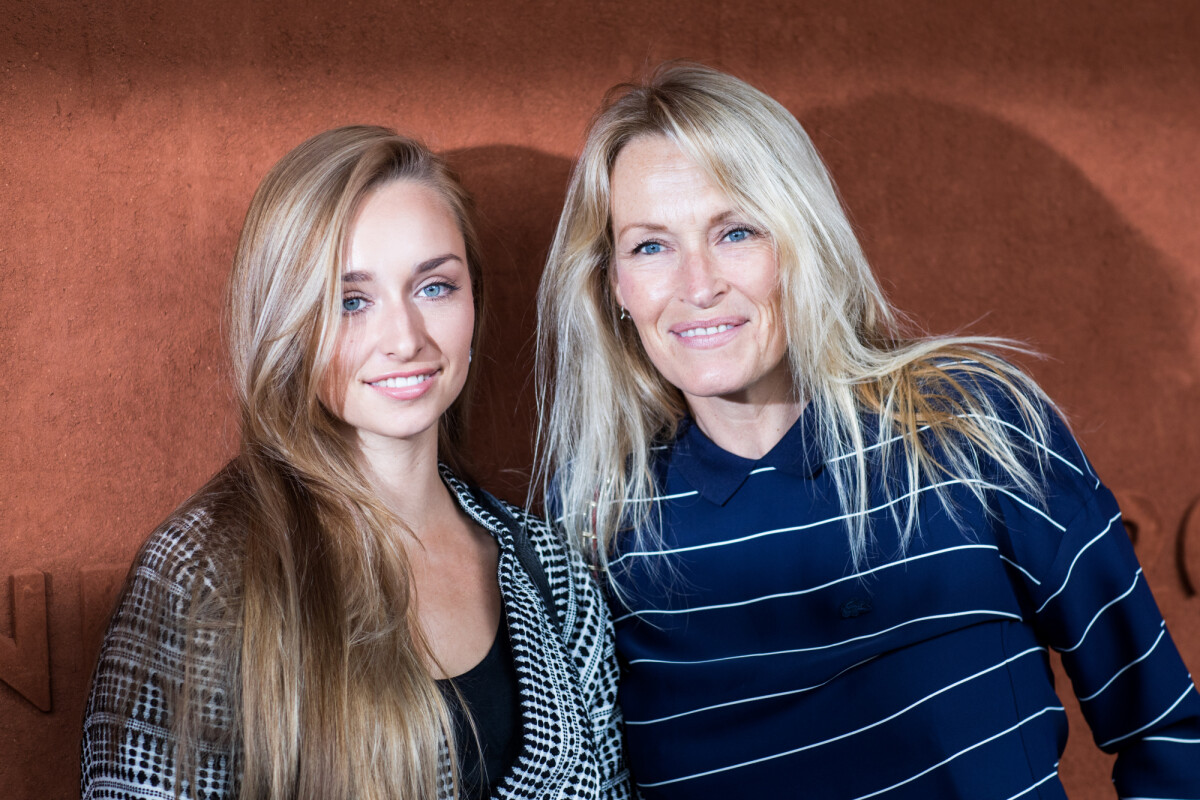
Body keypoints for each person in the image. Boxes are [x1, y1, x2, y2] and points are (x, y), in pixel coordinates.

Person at [535, 63, 1200, 799]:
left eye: (736, 231)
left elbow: (1167, 729)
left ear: (802, 241)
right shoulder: (598, 515)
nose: (698, 285)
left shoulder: (969, 428)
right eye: (651, 246)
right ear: (613, 285)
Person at [82, 126, 629, 800]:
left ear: (473, 301)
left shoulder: (555, 573)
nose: (404, 339)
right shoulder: (206, 573)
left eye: (435, 287)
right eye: (352, 301)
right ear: (287, 320)